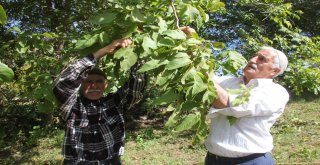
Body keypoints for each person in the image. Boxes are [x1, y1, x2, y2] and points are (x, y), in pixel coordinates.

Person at [53, 38, 146, 164]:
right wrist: (103, 51)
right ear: (81, 83)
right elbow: (63, 84)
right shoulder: (72, 105)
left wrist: (136, 50)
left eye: (99, 81)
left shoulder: (115, 103)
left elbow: (135, 88)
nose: (94, 86)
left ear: (105, 84)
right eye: (88, 82)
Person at [204, 46, 289, 165]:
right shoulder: (228, 82)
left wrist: (203, 74)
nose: (253, 60)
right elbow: (198, 74)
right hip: (214, 160)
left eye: (262, 59)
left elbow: (228, 104)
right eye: (254, 56)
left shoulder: (276, 92)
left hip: (250, 161)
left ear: (274, 71)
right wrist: (189, 40)